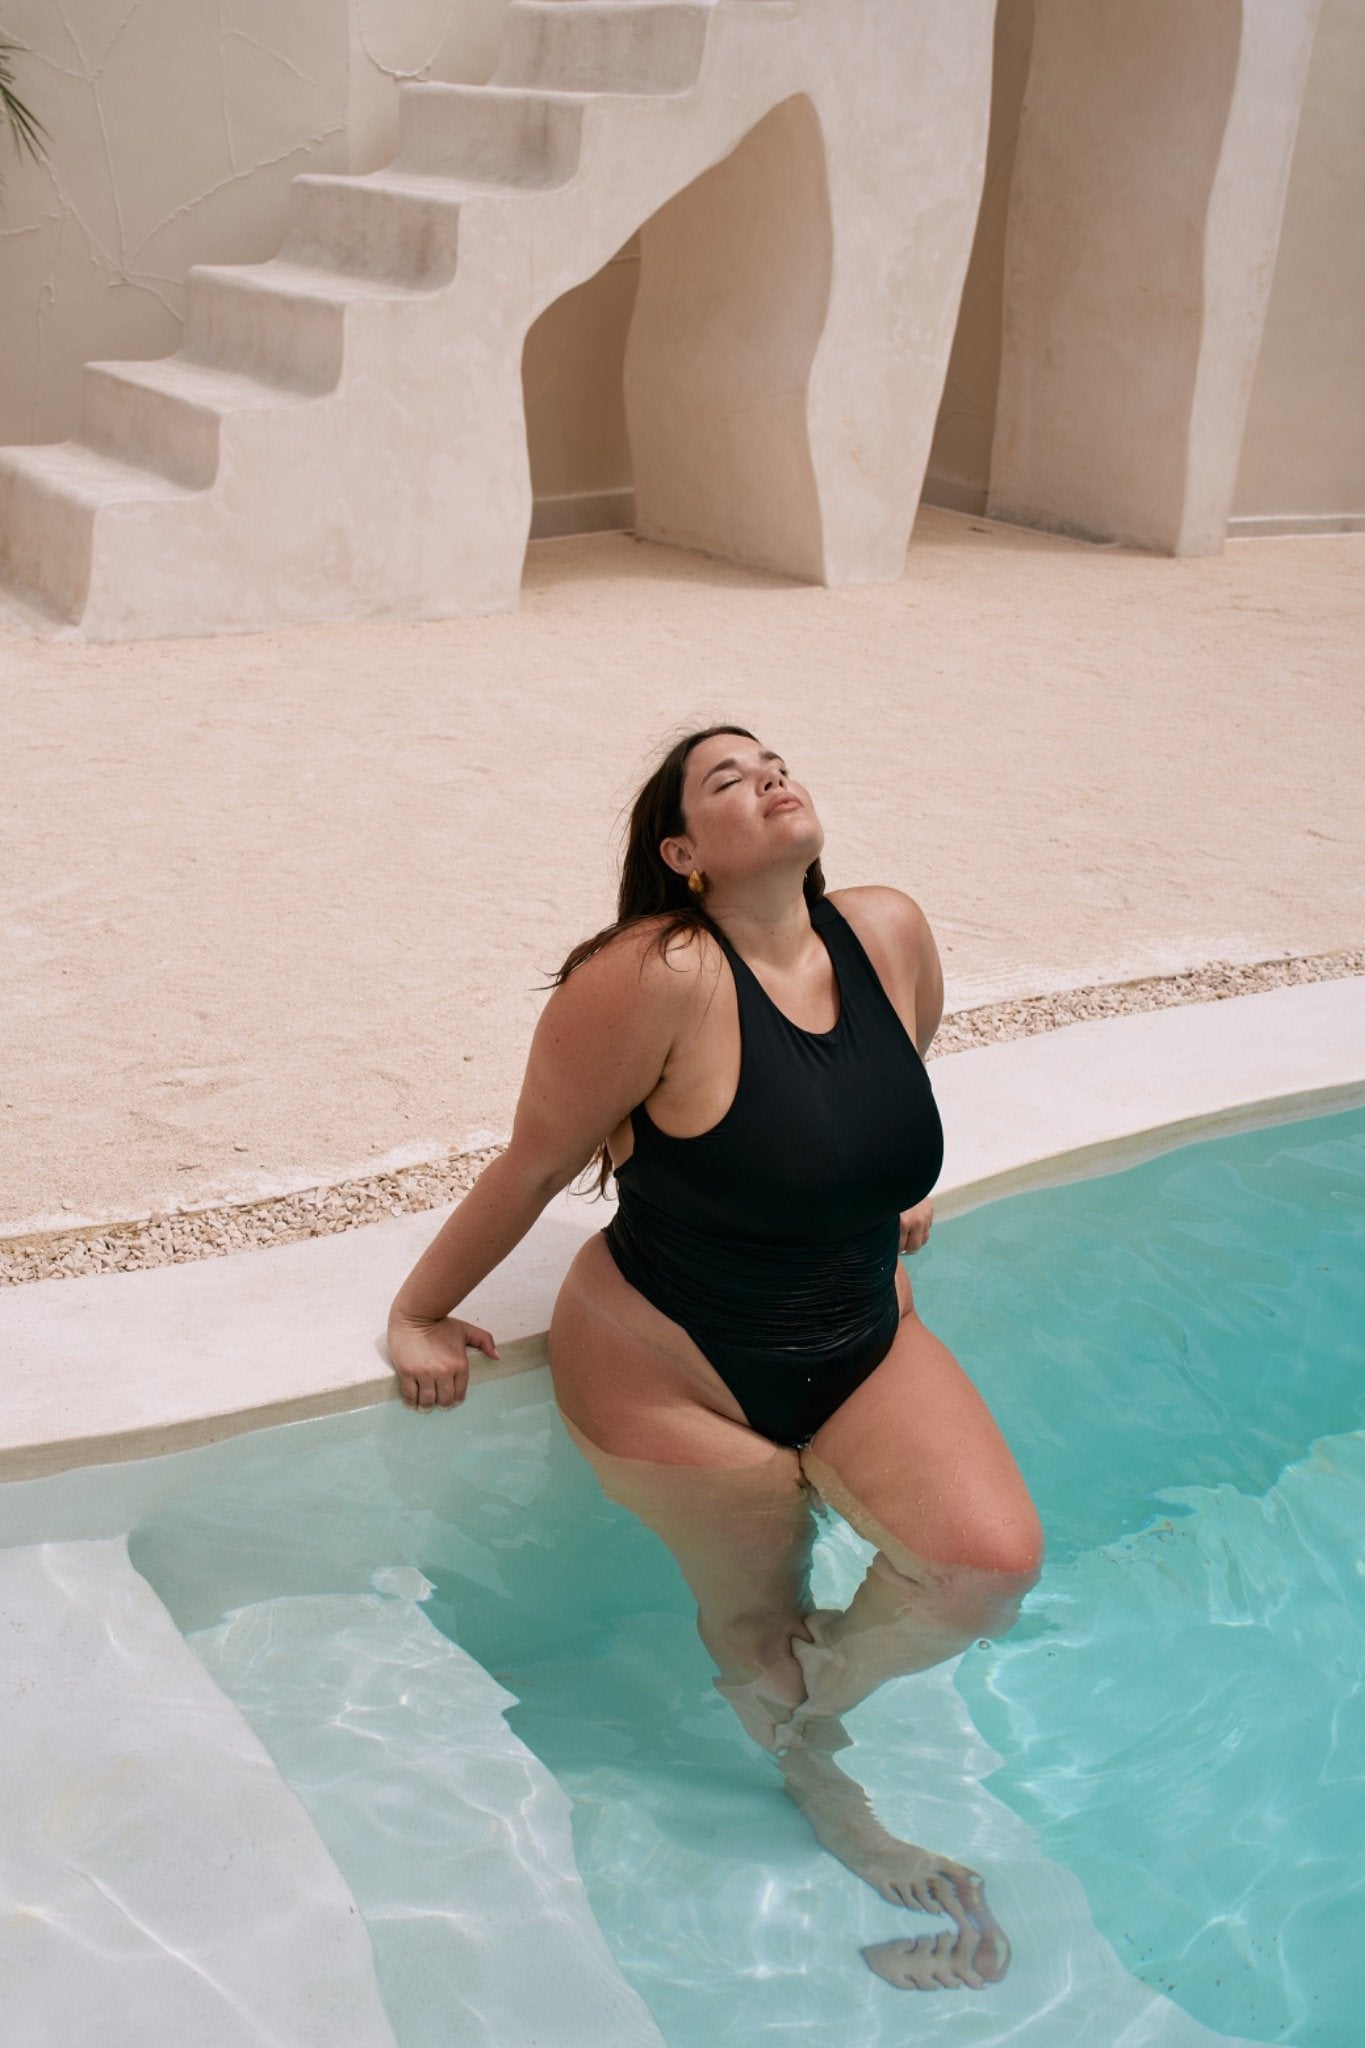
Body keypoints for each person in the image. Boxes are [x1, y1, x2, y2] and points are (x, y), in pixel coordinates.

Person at [386, 725, 1043, 1993]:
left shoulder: (889, 930)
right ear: (682, 853)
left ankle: (813, 1705)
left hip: (859, 1333)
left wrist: (870, 1190)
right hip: (669, 1365)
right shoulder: (656, 973)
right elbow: (532, 1157)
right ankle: (824, 1786)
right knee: (756, 1600)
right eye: (725, 780)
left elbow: (889, 1077)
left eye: (775, 760)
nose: (768, 778)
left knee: (983, 1570)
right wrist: (422, 1308)